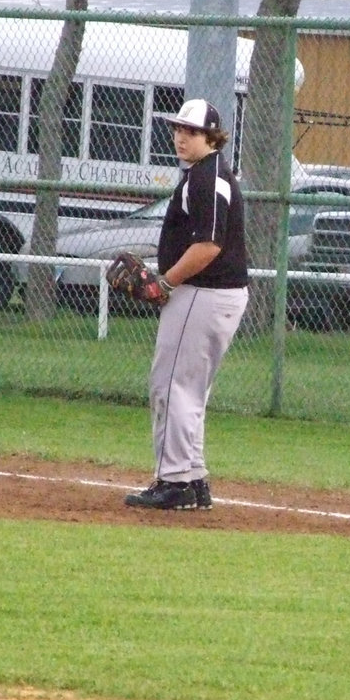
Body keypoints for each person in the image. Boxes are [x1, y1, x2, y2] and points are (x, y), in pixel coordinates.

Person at [124, 99, 249, 511]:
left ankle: (175, 481)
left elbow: (209, 245)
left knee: (171, 384)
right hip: (211, 294)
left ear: (211, 137)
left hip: (203, 292)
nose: (180, 137)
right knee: (188, 389)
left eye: (191, 132)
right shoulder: (204, 174)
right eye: (178, 129)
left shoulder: (207, 179)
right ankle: (192, 479)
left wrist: (164, 282)